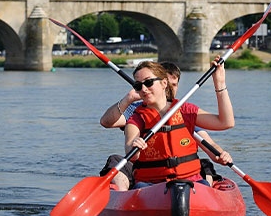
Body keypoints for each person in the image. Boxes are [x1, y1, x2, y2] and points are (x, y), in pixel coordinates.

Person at [99, 62, 232, 190]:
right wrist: (135, 145)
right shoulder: (136, 116)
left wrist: (219, 83)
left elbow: (225, 122)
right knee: (117, 164)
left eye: (149, 83)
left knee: (204, 171)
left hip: (190, 182)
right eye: (139, 86)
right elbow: (130, 151)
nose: (144, 89)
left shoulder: (185, 110)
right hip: (151, 185)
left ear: (164, 83)